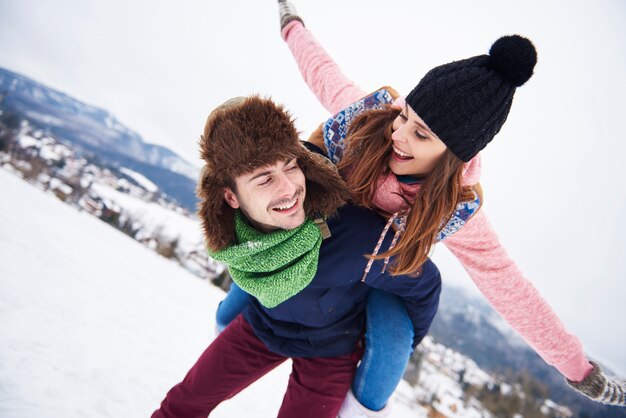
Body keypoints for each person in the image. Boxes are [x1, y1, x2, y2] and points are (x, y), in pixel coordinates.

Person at [215, 1, 626, 415]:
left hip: (372, 271)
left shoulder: (455, 207)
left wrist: (579, 369)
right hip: (316, 243)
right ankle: (235, 323)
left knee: (394, 338)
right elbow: (322, 71)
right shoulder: (369, 122)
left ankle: (356, 408)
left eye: (421, 134)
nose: (399, 135)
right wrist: (292, 26)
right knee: (249, 292)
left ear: (454, 155)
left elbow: (509, 287)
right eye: (405, 117)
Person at [151, 96, 443, 418]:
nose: (289, 188)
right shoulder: (234, 233)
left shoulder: (358, 237)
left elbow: (425, 284)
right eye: (264, 179)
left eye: (291, 166)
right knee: (184, 403)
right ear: (232, 197)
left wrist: (400, 342)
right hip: (262, 325)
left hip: (330, 350)